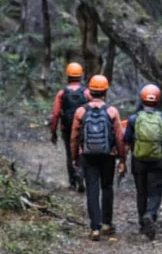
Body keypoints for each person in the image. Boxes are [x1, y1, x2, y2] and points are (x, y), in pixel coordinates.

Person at [71, 74, 126, 241]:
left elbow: (74, 137)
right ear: (105, 91)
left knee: (92, 190)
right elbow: (119, 137)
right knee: (107, 187)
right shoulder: (112, 111)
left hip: (88, 156)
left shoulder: (81, 111)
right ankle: (107, 224)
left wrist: (75, 157)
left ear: (90, 91)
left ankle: (94, 228)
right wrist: (122, 158)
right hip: (108, 155)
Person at [123, 83, 162, 240]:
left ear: (142, 100)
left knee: (141, 192)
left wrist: (122, 161)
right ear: (158, 100)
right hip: (157, 161)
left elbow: (126, 143)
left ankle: (143, 224)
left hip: (138, 160)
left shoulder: (134, 119)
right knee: (155, 192)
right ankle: (150, 214)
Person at [50, 62, 90, 192]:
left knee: (70, 153)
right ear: (81, 76)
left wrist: (53, 131)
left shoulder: (62, 93)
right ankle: (82, 174)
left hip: (66, 128)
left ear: (68, 76)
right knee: (82, 152)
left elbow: (55, 114)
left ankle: (72, 182)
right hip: (83, 128)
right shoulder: (87, 92)